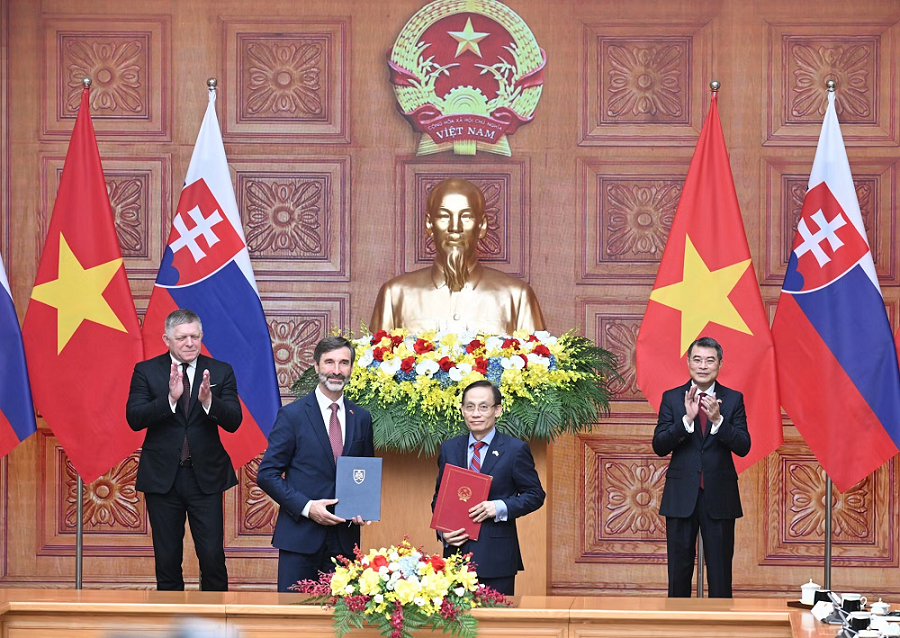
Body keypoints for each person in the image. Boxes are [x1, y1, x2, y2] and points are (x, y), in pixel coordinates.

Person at [126, 308, 242, 591]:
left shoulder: (220, 370)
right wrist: (170, 399)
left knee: (212, 557)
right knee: (167, 559)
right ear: (167, 339)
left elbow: (234, 421)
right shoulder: (146, 371)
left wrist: (209, 401)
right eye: (182, 338)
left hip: (205, 478)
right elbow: (134, 418)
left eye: (194, 336)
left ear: (201, 336)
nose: (190, 343)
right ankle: (171, 617)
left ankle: (216, 617)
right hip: (163, 478)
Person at [257, 336, 374, 592]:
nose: (336, 370)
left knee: (341, 614)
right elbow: (267, 474)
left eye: (344, 363)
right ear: (316, 366)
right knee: (293, 613)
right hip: (300, 539)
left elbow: (363, 473)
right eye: (329, 362)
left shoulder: (361, 418)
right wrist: (308, 508)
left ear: (351, 369)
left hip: (345, 542)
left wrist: (363, 507)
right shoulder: (292, 415)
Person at [370, 177, 545, 334]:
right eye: (444, 216)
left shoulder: (517, 296)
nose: (455, 227)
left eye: (466, 217)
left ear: (482, 225)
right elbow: (379, 356)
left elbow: (537, 358)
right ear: (429, 225)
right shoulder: (395, 295)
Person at [652, 336, 751, 598]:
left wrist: (719, 421)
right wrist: (686, 420)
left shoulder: (733, 399)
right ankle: (679, 622)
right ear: (688, 362)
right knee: (678, 575)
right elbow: (659, 445)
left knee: (720, 575)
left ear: (720, 364)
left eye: (709, 360)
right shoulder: (672, 398)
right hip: (681, 497)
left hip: (720, 497)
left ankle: (721, 622)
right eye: (697, 360)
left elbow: (743, 446)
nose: (703, 366)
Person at [432, 380, 545, 595]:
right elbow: (439, 497)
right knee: (455, 617)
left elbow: (535, 494)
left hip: (496, 560)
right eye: (470, 406)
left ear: (497, 410)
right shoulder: (449, 448)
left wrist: (499, 506)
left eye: (483, 407)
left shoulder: (515, 449)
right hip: (455, 558)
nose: (476, 413)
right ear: (462, 410)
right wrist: (442, 532)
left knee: (496, 617)